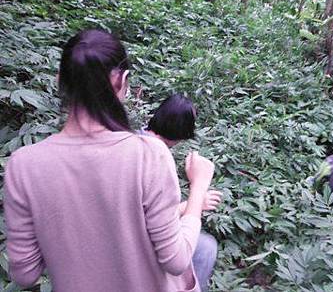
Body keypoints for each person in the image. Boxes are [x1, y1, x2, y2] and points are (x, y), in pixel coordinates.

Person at [4, 29, 214, 292]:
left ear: (60, 81)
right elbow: (177, 259)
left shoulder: (22, 165)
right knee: (206, 249)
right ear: (122, 81)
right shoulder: (150, 154)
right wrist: (199, 187)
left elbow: (25, 273)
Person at [142, 93, 222, 292]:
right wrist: (195, 199)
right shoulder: (157, 158)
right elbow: (147, 224)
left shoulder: (137, 137)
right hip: (134, 247)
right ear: (183, 130)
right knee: (205, 248)